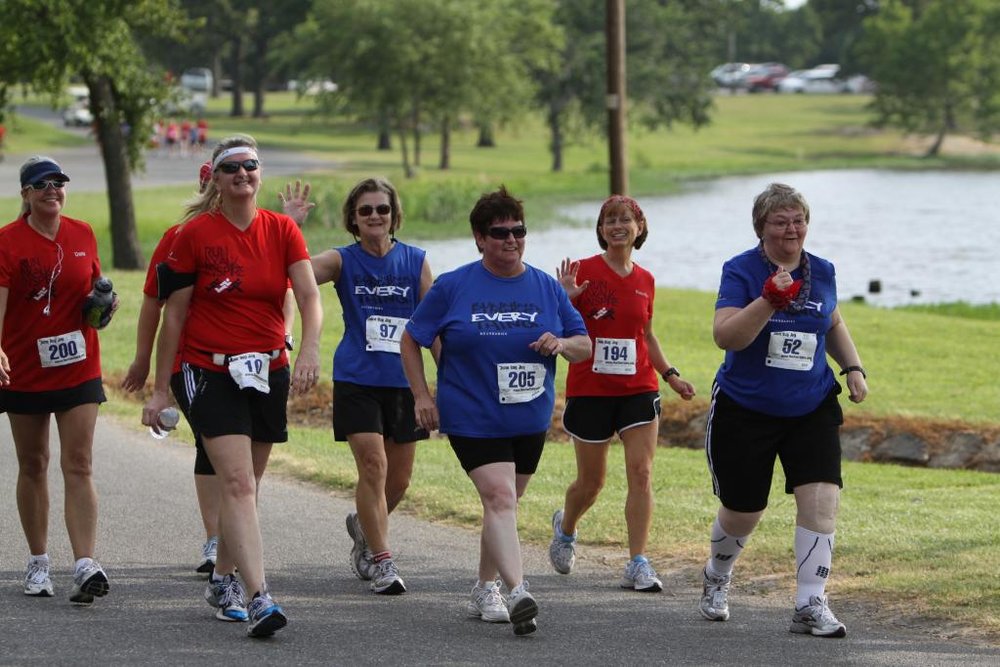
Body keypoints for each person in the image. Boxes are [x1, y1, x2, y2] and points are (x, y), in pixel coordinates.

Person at [141, 135, 323, 638]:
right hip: (206, 370)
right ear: (216, 179)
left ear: (259, 175)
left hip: (268, 368)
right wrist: (160, 389)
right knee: (240, 484)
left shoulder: (283, 229)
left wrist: (307, 348)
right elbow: (171, 316)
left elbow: (307, 296)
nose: (244, 174)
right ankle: (259, 595)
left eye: (252, 166)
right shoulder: (194, 235)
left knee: (248, 486)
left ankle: (222, 578)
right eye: (233, 168)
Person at [400, 186, 591, 636]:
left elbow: (584, 345)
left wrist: (560, 343)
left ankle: (484, 586)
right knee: (501, 498)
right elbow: (411, 338)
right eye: (499, 232)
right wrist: (422, 396)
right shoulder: (454, 285)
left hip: (528, 417)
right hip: (471, 412)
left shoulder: (545, 285)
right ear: (479, 238)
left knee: (502, 505)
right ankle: (518, 589)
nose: (511, 240)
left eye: (518, 231)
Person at [699, 183, 868, 638]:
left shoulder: (824, 270)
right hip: (745, 408)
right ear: (762, 227)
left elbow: (831, 319)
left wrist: (851, 366)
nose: (792, 229)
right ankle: (717, 574)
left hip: (810, 404)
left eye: (799, 220)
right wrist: (768, 299)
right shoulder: (740, 270)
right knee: (743, 509)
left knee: (822, 500)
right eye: (781, 221)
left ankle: (810, 603)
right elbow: (726, 337)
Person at [548, 195, 696, 592]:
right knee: (591, 483)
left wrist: (671, 375)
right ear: (600, 230)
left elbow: (645, 335)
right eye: (609, 220)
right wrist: (565, 297)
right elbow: (554, 324)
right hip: (591, 389)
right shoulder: (582, 272)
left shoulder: (646, 280)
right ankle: (566, 527)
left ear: (639, 228)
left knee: (642, 473)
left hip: (638, 387)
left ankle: (637, 562)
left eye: (625, 219)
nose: (617, 225)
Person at [0, 156, 117, 604]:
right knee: (33, 464)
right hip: (25, 368)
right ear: (26, 194)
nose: (53, 189)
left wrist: (104, 308)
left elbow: (93, 294)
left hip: (78, 364)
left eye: (59, 183)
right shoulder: (8, 242)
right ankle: (37, 561)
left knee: (80, 462)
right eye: (42, 184)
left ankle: (86, 564)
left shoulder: (82, 233)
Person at [310, 177, 433, 595]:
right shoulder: (342, 261)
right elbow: (297, 273)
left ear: (394, 214)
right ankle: (383, 561)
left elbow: (433, 329)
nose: (375, 217)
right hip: (357, 379)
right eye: (366, 211)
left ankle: (364, 529)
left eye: (382, 209)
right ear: (353, 219)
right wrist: (287, 226)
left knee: (398, 481)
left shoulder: (416, 262)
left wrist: (442, 387)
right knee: (374, 468)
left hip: (404, 382)